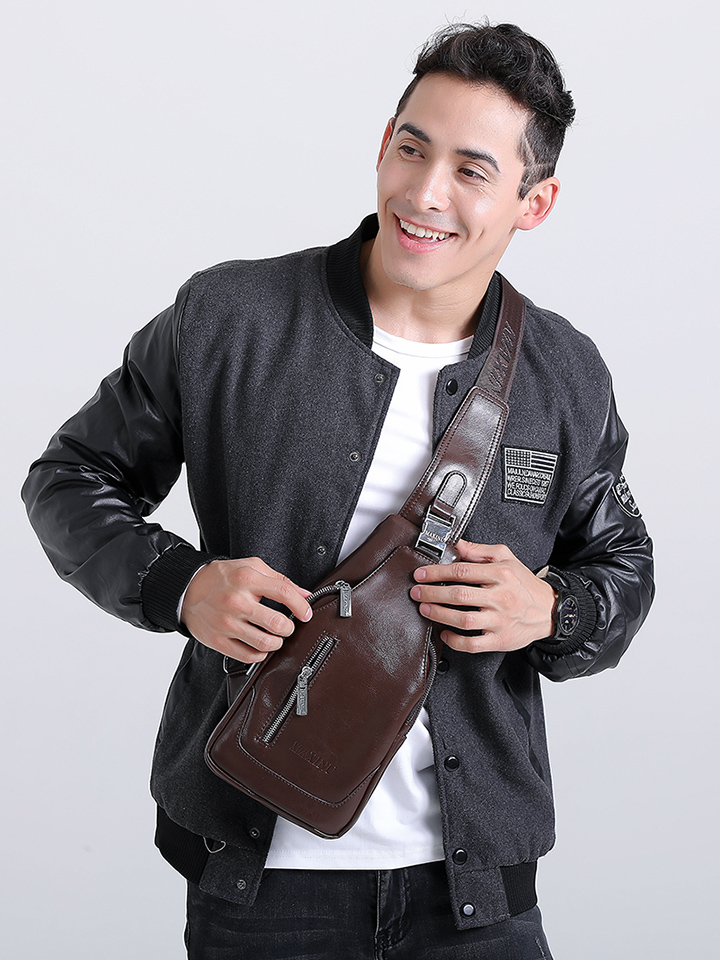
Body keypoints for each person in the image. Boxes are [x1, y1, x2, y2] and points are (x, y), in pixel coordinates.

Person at [22, 21, 654, 960]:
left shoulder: (566, 373)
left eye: (472, 171)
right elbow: (70, 478)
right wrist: (181, 587)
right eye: (413, 148)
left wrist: (552, 610)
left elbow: (623, 564)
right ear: (384, 142)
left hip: (477, 895)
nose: (425, 193)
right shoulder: (227, 318)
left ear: (535, 202)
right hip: (258, 877)